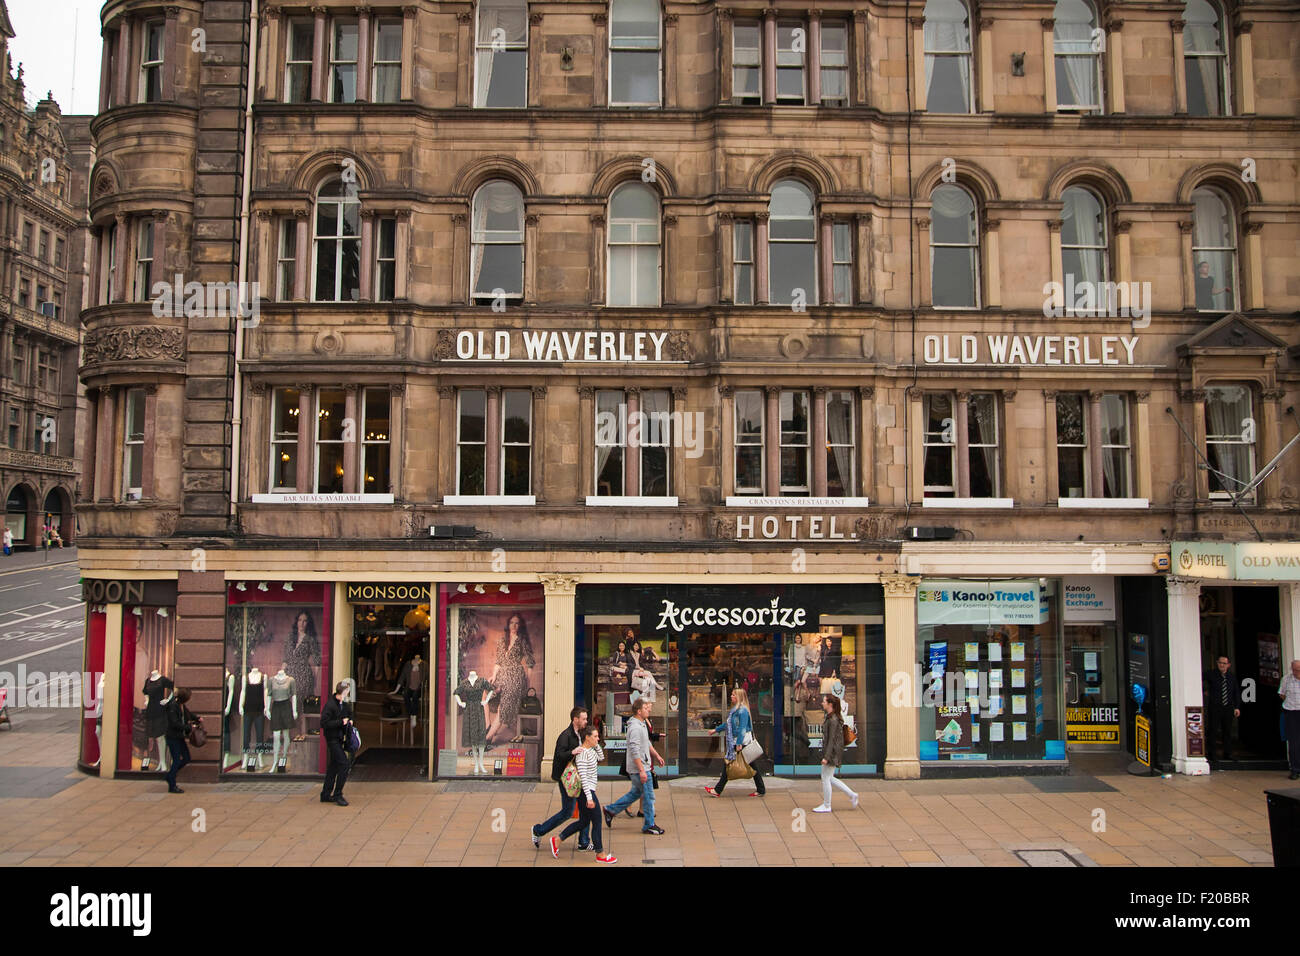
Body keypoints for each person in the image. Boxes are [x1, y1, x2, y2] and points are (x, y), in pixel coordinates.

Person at [549, 725, 617, 864]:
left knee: (584, 821)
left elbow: (601, 757)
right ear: (587, 737)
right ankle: (600, 854)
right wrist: (590, 798)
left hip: (587, 792)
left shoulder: (590, 750)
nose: (598, 739)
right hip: (586, 792)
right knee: (597, 820)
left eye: (598, 736)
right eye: (595, 737)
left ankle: (557, 840)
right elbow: (583, 778)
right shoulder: (582, 754)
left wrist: (596, 745)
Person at [532, 706, 592, 850]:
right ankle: (538, 830)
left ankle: (584, 842)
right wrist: (573, 752)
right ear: (575, 719)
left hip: (579, 777)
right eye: (583, 719)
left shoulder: (582, 733)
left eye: (586, 718)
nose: (586, 721)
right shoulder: (565, 736)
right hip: (567, 779)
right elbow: (560, 755)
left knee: (585, 808)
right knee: (568, 812)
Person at [603, 697, 665, 835]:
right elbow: (634, 750)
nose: (648, 709)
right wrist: (642, 770)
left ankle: (610, 810)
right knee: (649, 796)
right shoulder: (635, 728)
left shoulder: (641, 724)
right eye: (645, 708)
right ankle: (649, 824)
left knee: (635, 793)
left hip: (642, 767)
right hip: (640, 768)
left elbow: (647, 743)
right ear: (638, 711)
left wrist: (657, 755)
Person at [704, 687, 765, 798]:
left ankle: (717, 790)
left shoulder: (742, 711)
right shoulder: (735, 710)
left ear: (739, 697)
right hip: (738, 741)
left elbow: (742, 728)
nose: (731, 696)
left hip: (741, 742)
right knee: (751, 766)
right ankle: (761, 789)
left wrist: (739, 744)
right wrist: (715, 730)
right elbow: (729, 724)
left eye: (733, 695)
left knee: (729, 763)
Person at [487, 613, 535, 745]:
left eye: (517, 623)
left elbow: (530, 663)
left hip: (515, 676)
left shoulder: (522, 641)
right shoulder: (503, 641)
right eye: (511, 623)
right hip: (502, 675)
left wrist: (528, 683)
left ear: (520, 625)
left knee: (503, 707)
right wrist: (493, 676)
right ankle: (488, 726)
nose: (514, 625)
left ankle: (488, 739)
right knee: (486, 693)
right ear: (508, 625)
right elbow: (498, 662)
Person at [814, 693, 858, 812]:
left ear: (830, 704)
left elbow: (832, 740)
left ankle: (827, 805)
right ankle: (852, 795)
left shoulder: (833, 720)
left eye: (824, 701)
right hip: (833, 752)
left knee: (825, 778)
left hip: (832, 753)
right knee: (829, 777)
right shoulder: (831, 717)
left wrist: (826, 757)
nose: (822, 703)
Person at [320, 681, 354, 806]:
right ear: (343, 691)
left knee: (334, 766)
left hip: (339, 738)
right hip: (332, 739)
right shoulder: (330, 705)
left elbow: (349, 715)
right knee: (344, 765)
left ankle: (325, 793)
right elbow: (324, 723)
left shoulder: (343, 705)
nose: (348, 694)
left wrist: (349, 721)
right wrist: (341, 722)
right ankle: (338, 794)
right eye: (347, 691)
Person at [1205, 655, 1241, 761]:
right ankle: (1212, 754)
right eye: (1220, 663)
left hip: (1228, 707)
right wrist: (1204, 691)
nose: (1221, 665)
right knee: (1213, 730)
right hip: (1215, 707)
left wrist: (1237, 707)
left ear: (1228, 665)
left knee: (1227, 731)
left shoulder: (1231, 677)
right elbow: (1198, 679)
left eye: (1224, 663)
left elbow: (1236, 692)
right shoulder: (1211, 674)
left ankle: (1227, 753)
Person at [162, 687, 197, 794]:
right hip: (173, 737)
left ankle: (170, 776)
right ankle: (172, 784)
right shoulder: (173, 706)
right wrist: (189, 728)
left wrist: (197, 718)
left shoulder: (181, 705)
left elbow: (188, 714)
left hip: (179, 737)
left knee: (186, 758)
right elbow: (175, 723)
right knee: (176, 760)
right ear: (184, 698)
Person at [1280, 659, 1300, 780]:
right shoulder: (1286, 679)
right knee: (1294, 742)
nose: (1297, 672)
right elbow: (1282, 694)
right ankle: (1295, 769)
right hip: (1291, 712)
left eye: (1299, 670)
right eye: (1295, 670)